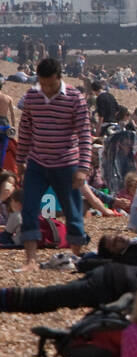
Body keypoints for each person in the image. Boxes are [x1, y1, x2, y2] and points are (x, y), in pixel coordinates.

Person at [14, 58, 93, 270]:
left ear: (59, 78)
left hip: (66, 163)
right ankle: (31, 260)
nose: (47, 89)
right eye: (43, 83)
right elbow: (26, 129)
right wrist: (20, 160)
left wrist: (83, 168)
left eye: (50, 84)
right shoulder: (32, 96)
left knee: (72, 211)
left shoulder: (75, 98)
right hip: (37, 163)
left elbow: (85, 134)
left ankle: (74, 258)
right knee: (29, 208)